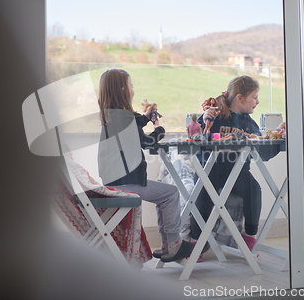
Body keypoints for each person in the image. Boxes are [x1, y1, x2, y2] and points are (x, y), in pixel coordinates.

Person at [97, 69, 195, 262]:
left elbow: (135, 125)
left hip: (113, 182)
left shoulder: (113, 117)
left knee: (163, 195)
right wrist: (159, 129)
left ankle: (168, 245)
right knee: (171, 193)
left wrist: (146, 117)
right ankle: (173, 244)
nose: (134, 90)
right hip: (126, 185)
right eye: (132, 86)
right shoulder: (125, 118)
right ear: (123, 89)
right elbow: (149, 144)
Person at [190, 75, 262, 252]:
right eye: (254, 97)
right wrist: (203, 119)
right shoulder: (216, 115)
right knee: (203, 195)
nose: (257, 101)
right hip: (209, 167)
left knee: (254, 189)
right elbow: (196, 135)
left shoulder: (250, 124)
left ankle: (249, 236)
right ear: (240, 98)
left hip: (237, 172)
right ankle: (195, 242)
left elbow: (260, 148)